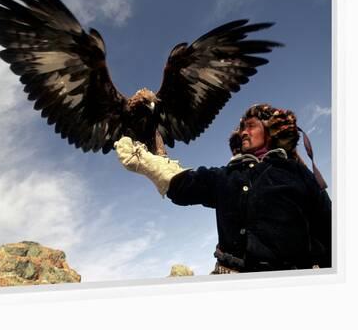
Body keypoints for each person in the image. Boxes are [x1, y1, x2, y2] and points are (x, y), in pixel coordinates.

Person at [114, 104, 332, 273]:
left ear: (270, 131)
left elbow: (329, 228)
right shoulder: (225, 176)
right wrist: (148, 163)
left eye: (251, 126)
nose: (243, 132)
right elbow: (184, 185)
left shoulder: (296, 173)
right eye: (241, 128)